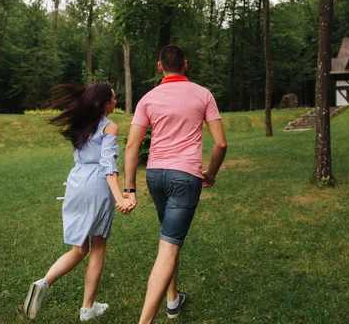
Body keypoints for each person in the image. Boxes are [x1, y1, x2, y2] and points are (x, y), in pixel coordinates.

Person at [124, 44, 227, 323]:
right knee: (168, 246)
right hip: (185, 177)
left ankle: (172, 301)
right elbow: (220, 143)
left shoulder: (147, 98)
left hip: (155, 176)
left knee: (169, 237)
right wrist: (212, 173)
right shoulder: (203, 94)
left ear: (160, 67)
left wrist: (129, 188)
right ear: (186, 64)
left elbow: (132, 146)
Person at [23, 83, 135, 321]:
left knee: (78, 249)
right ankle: (87, 308)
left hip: (76, 181)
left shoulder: (80, 124)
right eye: (114, 98)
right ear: (106, 104)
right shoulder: (109, 127)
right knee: (98, 247)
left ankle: (43, 282)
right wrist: (120, 198)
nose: (116, 101)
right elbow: (108, 167)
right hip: (96, 184)